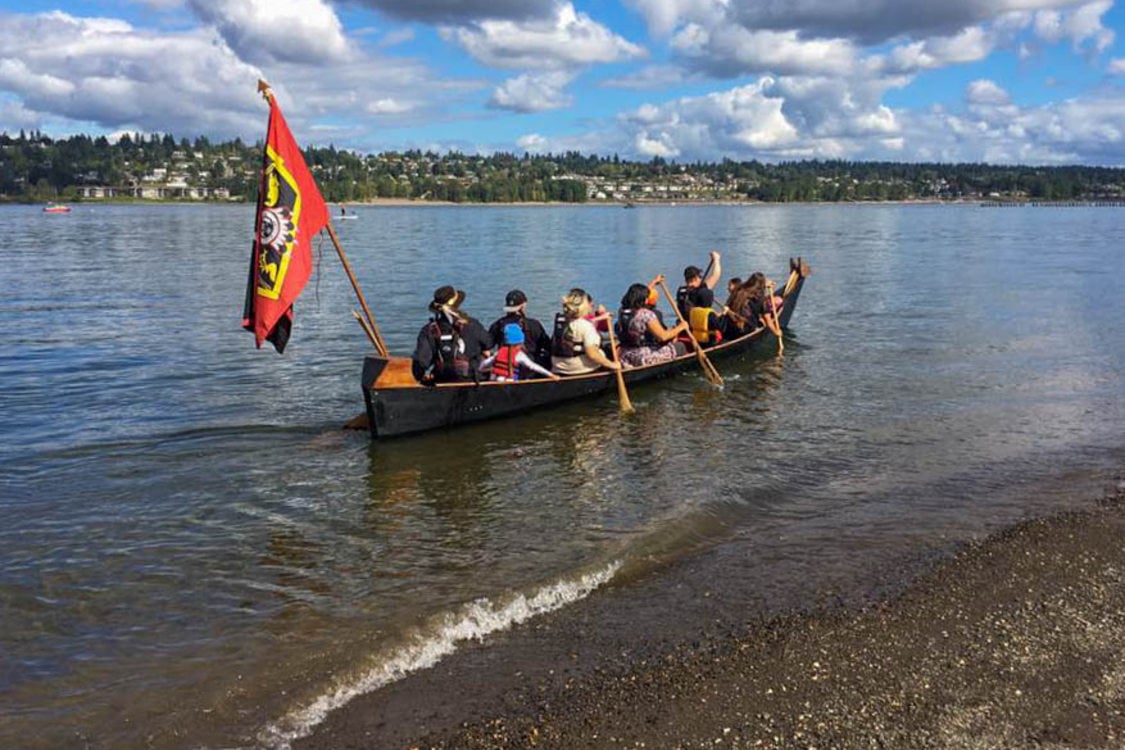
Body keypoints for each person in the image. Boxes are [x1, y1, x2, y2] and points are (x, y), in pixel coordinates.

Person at [411, 285, 493, 383]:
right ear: (457, 304)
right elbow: (489, 343)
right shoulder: (472, 324)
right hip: (473, 379)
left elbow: (421, 363)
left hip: (442, 381)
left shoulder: (429, 330)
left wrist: (420, 379)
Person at [616, 282, 689, 368]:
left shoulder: (622, 311)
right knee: (680, 347)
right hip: (642, 357)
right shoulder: (646, 315)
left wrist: (654, 281)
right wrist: (681, 327)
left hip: (625, 355)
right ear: (643, 299)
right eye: (646, 298)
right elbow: (663, 336)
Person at [551, 289, 622, 376]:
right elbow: (592, 354)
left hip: (558, 367)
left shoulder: (561, 322)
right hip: (578, 369)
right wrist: (613, 365)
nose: (590, 306)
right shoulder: (586, 326)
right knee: (605, 353)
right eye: (588, 303)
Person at [487, 289, 552, 370]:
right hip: (529, 369)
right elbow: (547, 346)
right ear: (524, 305)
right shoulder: (534, 324)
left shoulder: (497, 325)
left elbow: (487, 345)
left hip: (506, 367)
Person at [479, 323, 559, 382]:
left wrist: (481, 370)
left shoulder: (499, 351)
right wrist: (551, 375)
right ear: (520, 341)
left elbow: (484, 364)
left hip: (494, 380)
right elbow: (533, 366)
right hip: (509, 381)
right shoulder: (519, 355)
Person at [675, 250, 722, 321]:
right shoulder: (700, 291)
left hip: (686, 322)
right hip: (699, 324)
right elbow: (716, 275)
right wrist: (716, 259)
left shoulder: (681, 291)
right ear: (697, 278)